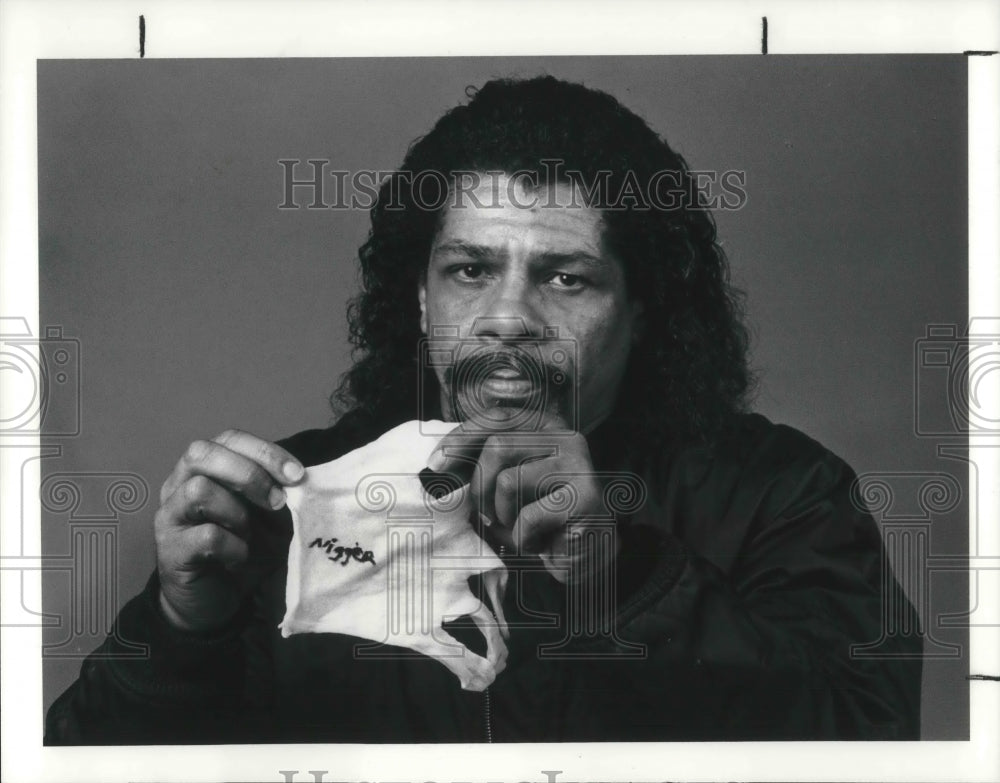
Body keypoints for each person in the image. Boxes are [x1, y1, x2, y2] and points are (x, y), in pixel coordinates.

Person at [45, 76, 922, 744]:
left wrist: (620, 578)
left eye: (564, 276)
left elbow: (873, 743)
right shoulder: (279, 506)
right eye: (470, 270)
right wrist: (179, 627)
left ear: (645, 309)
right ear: (422, 301)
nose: (507, 318)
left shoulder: (783, 494)